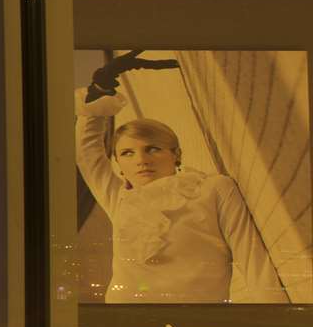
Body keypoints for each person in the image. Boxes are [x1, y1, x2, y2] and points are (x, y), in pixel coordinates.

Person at [76, 50, 286, 303]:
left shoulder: (214, 188)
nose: (142, 160)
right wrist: (98, 92)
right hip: (125, 318)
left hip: (201, 318)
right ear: (119, 163)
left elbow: (252, 257)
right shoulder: (119, 198)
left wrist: (274, 317)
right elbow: (87, 155)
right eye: (128, 153)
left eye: (153, 149)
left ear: (177, 154)